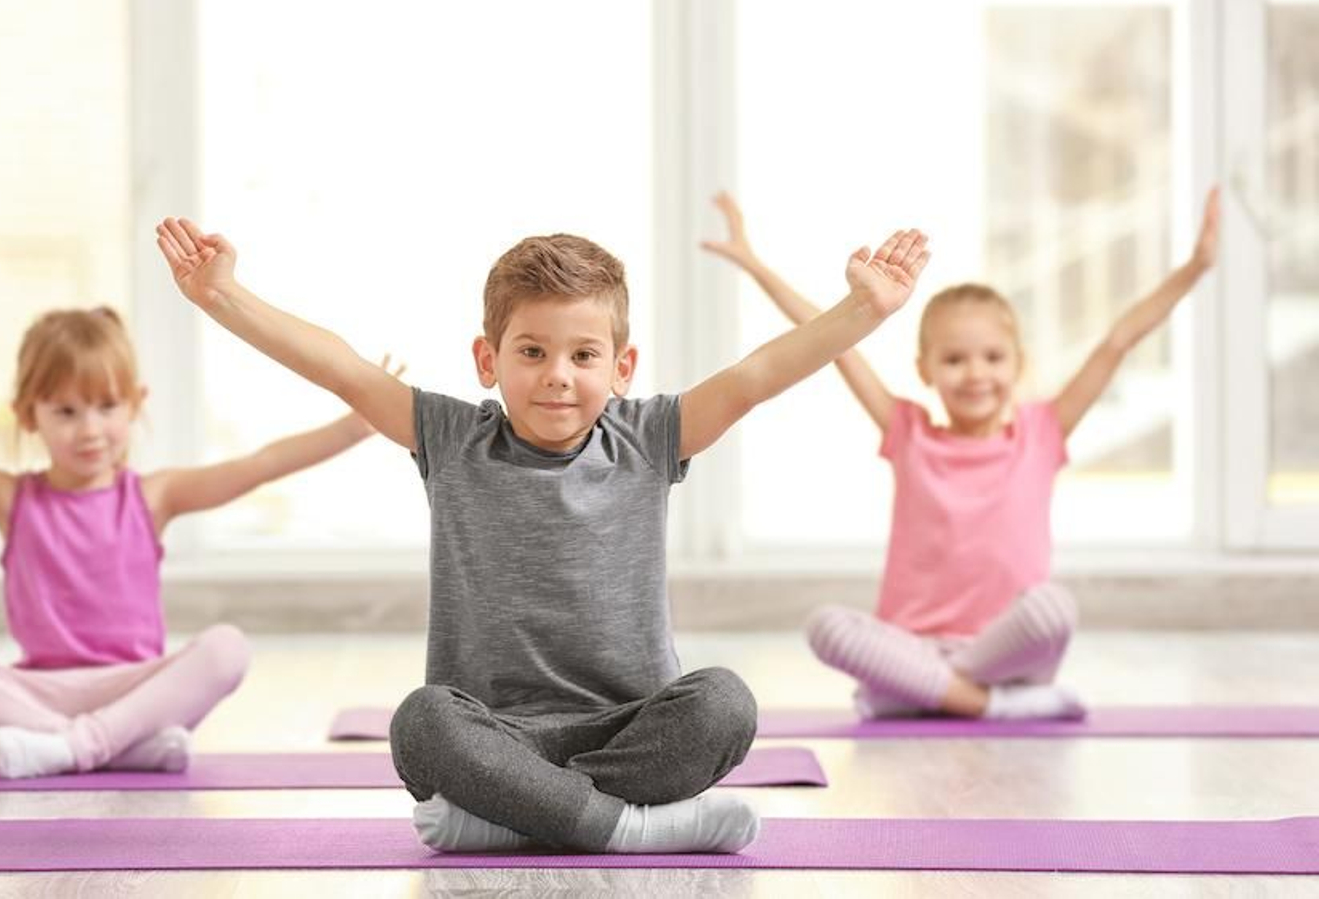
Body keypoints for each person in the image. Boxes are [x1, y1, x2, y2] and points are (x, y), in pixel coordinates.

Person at [157, 216, 929, 852]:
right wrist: (224, 295)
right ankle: (624, 828)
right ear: (487, 359)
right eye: (532, 351)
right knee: (422, 723)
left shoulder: (651, 435)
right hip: (494, 734)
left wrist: (864, 311)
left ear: (621, 365)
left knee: (724, 703)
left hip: (631, 729)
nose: (558, 373)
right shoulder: (452, 437)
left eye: (583, 354)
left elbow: (760, 375)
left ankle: (517, 816)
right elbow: (344, 372)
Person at [0, 306, 393, 777]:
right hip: (39, 694)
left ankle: (72, 747)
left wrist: (353, 425)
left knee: (227, 647)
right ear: (29, 416)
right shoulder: (8, 497)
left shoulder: (153, 495)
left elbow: (262, 462)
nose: (91, 429)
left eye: (107, 407)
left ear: (134, 404)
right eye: (66, 411)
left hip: (141, 689)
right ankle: (113, 747)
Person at [703, 188, 1220, 721]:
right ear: (925, 369)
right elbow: (833, 343)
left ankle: (925, 694)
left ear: (1017, 363)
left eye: (992, 357)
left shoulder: (1041, 433)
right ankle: (989, 705)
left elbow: (1117, 341)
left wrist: (1196, 267)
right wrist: (754, 263)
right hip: (914, 647)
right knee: (827, 627)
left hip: (1006, 651)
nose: (976, 373)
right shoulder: (908, 432)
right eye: (954, 359)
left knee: (1054, 609)